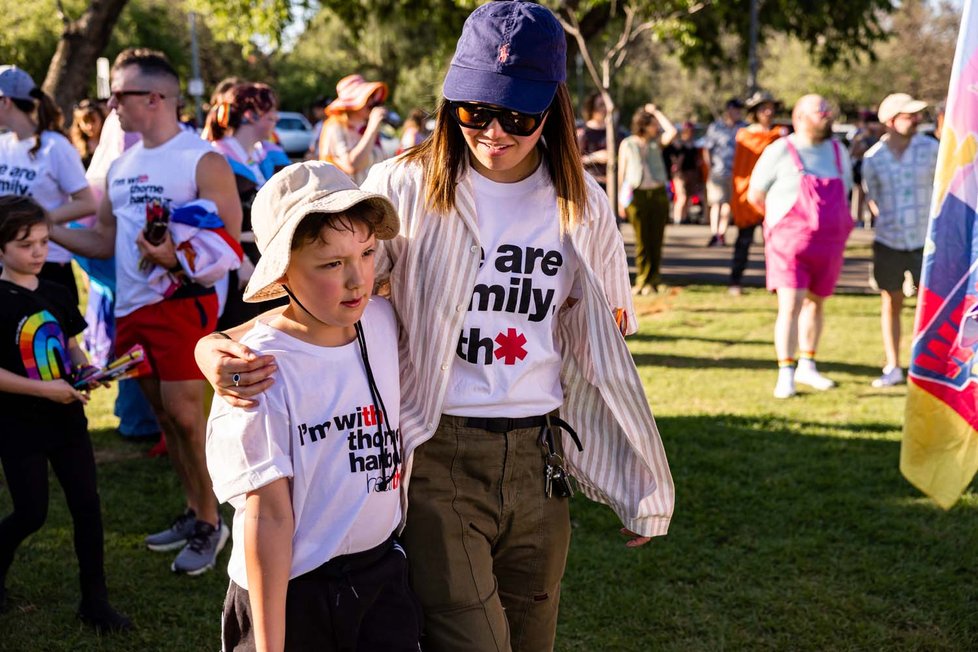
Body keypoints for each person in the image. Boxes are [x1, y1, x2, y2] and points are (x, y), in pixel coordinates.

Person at [197, 3, 674, 651]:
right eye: (474, 108)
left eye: (518, 114)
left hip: (540, 462)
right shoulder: (403, 185)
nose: (493, 131)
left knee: (533, 639)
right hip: (439, 454)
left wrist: (636, 474)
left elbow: (603, 348)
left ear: (553, 108)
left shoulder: (582, 204)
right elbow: (323, 289)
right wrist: (214, 345)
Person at [207, 161, 421, 651]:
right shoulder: (256, 371)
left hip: (380, 573)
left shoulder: (383, 320)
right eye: (330, 264)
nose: (358, 279)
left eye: (367, 253)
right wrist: (269, 645)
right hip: (293, 593)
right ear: (282, 271)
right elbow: (269, 519)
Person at [50, 48, 242, 575]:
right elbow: (104, 240)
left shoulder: (202, 158)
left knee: (186, 416)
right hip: (132, 309)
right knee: (164, 419)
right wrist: (46, 231)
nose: (111, 103)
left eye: (120, 93)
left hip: (181, 304)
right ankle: (191, 508)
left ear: (155, 98)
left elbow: (229, 243)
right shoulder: (121, 165)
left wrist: (174, 256)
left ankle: (211, 521)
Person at [0, 195, 130, 632]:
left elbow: (69, 344)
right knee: (31, 513)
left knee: (87, 508)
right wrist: (42, 390)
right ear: (1, 249)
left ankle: (95, 601)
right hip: (18, 425)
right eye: (25, 244)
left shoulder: (56, 289)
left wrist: (86, 369)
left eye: (42, 241)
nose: (38, 252)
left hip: (67, 422)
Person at [748, 94, 854, 399]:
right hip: (789, 244)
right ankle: (786, 373)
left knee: (816, 303)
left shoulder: (838, 151)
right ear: (798, 116)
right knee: (790, 305)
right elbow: (755, 195)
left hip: (829, 244)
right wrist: (780, 223)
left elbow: (845, 190)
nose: (825, 115)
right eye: (818, 111)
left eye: (827, 110)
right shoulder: (781, 149)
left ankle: (808, 364)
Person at [0, 65, 97, 303]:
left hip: (48, 264)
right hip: (7, 265)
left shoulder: (54, 146)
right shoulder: (2, 144)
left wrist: (34, 223)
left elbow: (87, 203)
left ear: (6, 101)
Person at [861, 93, 938, 388]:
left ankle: (930, 365)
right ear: (890, 122)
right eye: (909, 116)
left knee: (929, 302)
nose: (916, 120)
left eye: (917, 115)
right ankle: (893, 365)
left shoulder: (932, 150)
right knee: (891, 300)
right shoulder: (873, 158)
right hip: (889, 241)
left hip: (926, 242)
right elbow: (873, 196)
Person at [205, 81, 291, 328]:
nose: (275, 116)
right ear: (249, 114)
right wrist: (239, 260)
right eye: (269, 110)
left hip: (264, 260)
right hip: (235, 267)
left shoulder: (263, 154)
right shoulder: (216, 158)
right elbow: (212, 219)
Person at [728, 90, 785, 295]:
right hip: (749, 194)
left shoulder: (780, 134)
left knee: (775, 241)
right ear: (755, 112)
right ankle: (735, 281)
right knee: (744, 240)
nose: (768, 112)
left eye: (771, 108)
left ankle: (777, 283)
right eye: (763, 108)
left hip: (774, 195)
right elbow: (741, 168)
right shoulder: (745, 135)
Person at [618, 104, 677, 295]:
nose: (656, 127)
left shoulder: (656, 142)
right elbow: (622, 172)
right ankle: (642, 280)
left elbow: (672, 131)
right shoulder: (628, 143)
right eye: (652, 124)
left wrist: (656, 112)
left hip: (658, 193)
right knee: (641, 239)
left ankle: (654, 279)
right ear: (643, 125)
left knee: (656, 238)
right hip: (637, 194)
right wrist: (620, 199)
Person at [317, 74, 389, 185]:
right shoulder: (335, 127)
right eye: (368, 97)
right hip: (348, 198)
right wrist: (372, 128)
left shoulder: (364, 128)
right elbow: (351, 165)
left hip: (370, 197)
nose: (373, 102)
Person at [702, 97, 746, 246]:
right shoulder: (716, 127)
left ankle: (722, 233)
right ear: (729, 110)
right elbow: (707, 149)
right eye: (736, 109)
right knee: (716, 203)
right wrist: (710, 168)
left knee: (728, 205)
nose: (739, 113)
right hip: (718, 172)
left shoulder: (744, 128)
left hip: (737, 174)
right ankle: (715, 233)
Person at [663, 120, 703, 225]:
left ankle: (684, 217)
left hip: (691, 173)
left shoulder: (694, 144)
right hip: (680, 174)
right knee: (682, 196)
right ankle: (677, 218)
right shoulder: (679, 144)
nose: (690, 132)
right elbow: (674, 157)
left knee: (689, 196)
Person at [577, 92, 612, 189]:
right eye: (601, 105)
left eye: (606, 105)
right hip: (590, 185)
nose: (605, 109)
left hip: (612, 186)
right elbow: (572, 162)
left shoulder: (615, 132)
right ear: (592, 108)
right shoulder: (582, 132)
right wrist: (594, 157)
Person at [69, 99, 107, 168]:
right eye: (85, 122)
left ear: (101, 119)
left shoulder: (111, 141)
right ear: (78, 123)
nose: (90, 126)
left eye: (93, 120)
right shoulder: (72, 146)